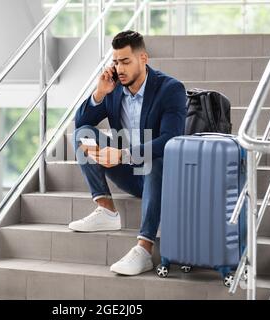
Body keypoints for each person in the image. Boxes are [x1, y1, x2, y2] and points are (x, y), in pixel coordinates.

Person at [69, 30, 186, 276]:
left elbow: (171, 140)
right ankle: (107, 210)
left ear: (143, 58)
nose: (119, 68)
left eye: (125, 61)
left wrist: (122, 154)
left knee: (157, 155)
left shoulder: (170, 89)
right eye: (115, 62)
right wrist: (100, 93)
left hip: (161, 175)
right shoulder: (114, 88)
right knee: (84, 135)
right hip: (131, 175)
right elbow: (80, 123)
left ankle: (144, 248)